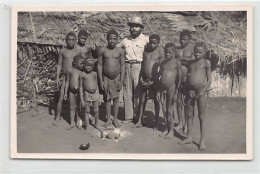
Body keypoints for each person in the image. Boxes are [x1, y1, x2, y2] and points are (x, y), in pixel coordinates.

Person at [179, 42, 212, 151]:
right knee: (189, 114)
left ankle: (202, 141)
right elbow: (189, 76)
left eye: (200, 52)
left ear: (204, 52)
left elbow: (209, 80)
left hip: (200, 92)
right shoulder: (191, 63)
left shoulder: (206, 63)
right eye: (195, 52)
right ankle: (189, 137)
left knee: (201, 117)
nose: (197, 54)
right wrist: (187, 89)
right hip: (190, 92)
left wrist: (203, 91)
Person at [117, 16, 149, 123]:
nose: (134, 28)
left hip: (139, 66)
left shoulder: (146, 40)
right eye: (132, 26)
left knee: (139, 93)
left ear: (141, 28)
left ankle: (138, 117)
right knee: (127, 92)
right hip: (127, 66)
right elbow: (116, 49)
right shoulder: (125, 40)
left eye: (136, 26)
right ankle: (128, 117)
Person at [133, 34, 163, 129]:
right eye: (150, 43)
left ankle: (156, 122)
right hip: (145, 80)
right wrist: (141, 78)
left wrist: (154, 81)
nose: (152, 45)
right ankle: (139, 121)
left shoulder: (160, 53)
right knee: (142, 100)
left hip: (155, 81)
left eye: (154, 43)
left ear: (158, 43)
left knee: (156, 101)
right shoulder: (145, 52)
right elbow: (143, 66)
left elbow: (162, 69)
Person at [98, 29, 125, 128]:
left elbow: (122, 65)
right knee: (107, 99)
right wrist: (100, 80)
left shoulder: (120, 51)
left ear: (117, 39)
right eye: (110, 39)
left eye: (114, 39)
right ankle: (108, 119)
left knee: (116, 99)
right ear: (107, 39)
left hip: (117, 78)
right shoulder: (102, 50)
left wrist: (121, 80)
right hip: (106, 78)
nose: (112, 41)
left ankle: (115, 119)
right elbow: (100, 65)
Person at [54, 32, 81, 124]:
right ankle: (57, 116)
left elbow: (80, 65)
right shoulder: (62, 51)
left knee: (77, 99)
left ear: (75, 41)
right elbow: (59, 64)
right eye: (68, 40)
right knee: (61, 97)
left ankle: (77, 119)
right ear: (65, 40)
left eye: (72, 40)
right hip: (65, 78)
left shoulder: (78, 51)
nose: (70, 42)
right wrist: (57, 77)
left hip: (75, 78)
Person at [157, 43, 182, 139]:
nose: (167, 54)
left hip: (172, 88)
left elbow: (179, 77)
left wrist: (176, 92)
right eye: (165, 52)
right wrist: (159, 90)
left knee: (170, 110)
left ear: (174, 52)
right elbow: (160, 76)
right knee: (164, 109)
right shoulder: (163, 63)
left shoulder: (176, 62)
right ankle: (166, 129)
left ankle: (171, 131)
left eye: (169, 52)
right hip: (163, 89)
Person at [175, 30, 194, 133]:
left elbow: (194, 61)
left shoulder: (192, 50)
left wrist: (182, 60)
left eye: (185, 39)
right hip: (177, 78)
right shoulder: (177, 50)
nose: (182, 41)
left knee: (187, 103)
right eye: (181, 39)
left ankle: (187, 124)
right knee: (178, 102)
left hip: (187, 78)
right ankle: (180, 123)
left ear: (189, 40)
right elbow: (173, 61)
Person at [79, 58, 100, 133]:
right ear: (84, 65)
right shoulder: (82, 74)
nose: (89, 67)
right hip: (87, 94)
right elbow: (81, 87)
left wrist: (99, 95)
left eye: (91, 66)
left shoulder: (95, 74)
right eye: (87, 65)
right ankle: (87, 126)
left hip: (95, 93)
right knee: (87, 110)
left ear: (93, 66)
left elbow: (97, 84)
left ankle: (97, 124)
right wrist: (81, 99)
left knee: (96, 110)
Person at [64, 55, 84, 130]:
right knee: (72, 107)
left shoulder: (81, 72)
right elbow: (67, 82)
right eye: (81, 63)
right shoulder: (70, 70)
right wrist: (65, 92)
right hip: (71, 92)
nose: (83, 65)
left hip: (79, 93)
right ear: (75, 63)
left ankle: (77, 123)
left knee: (78, 108)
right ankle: (72, 123)